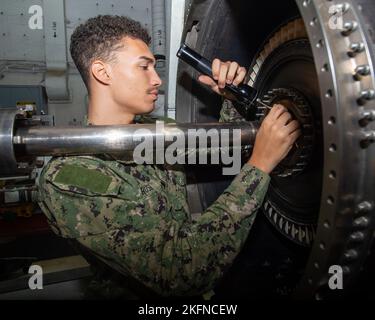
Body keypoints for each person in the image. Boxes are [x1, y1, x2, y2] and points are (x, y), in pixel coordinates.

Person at [37, 15, 300, 297]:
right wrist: (259, 166)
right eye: (144, 67)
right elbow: (180, 273)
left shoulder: (158, 131)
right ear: (103, 72)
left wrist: (231, 98)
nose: (157, 80)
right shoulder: (69, 178)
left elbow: (225, 153)